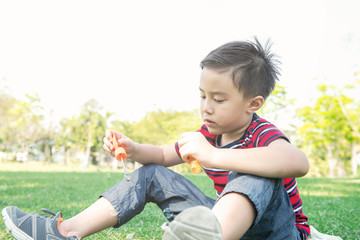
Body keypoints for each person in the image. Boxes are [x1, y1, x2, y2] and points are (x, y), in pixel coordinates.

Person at [2, 37, 310, 240]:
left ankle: (212, 235)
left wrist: (214, 156)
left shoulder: (261, 132)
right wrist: (133, 148)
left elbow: (297, 162)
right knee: (151, 174)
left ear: (253, 104)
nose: (206, 107)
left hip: (278, 232)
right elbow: (163, 157)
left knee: (257, 169)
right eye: (202, 95)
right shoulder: (206, 135)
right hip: (226, 227)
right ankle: (65, 231)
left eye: (218, 99)